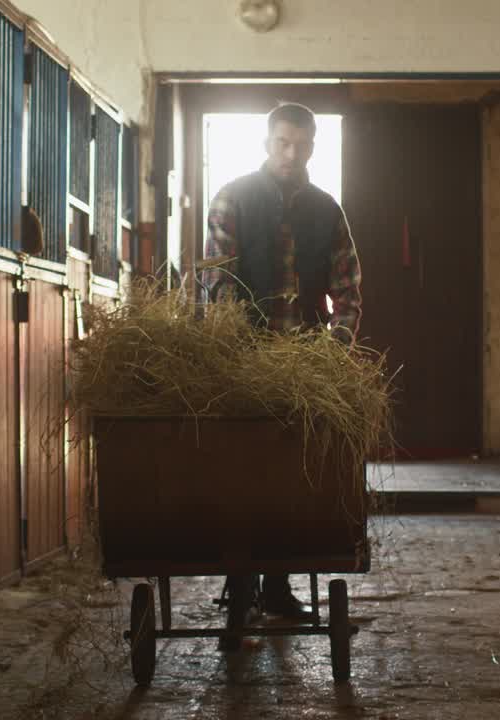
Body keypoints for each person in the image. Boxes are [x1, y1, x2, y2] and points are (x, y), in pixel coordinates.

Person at [201, 102, 363, 618]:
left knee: (294, 472)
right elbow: (217, 280)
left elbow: (348, 287)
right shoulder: (233, 198)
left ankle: (276, 587)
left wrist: (336, 344)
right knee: (239, 471)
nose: (291, 153)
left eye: (302, 144)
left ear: (313, 146)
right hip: (244, 358)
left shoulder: (326, 209)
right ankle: (240, 586)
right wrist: (238, 348)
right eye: (282, 143)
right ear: (268, 143)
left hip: (307, 361)